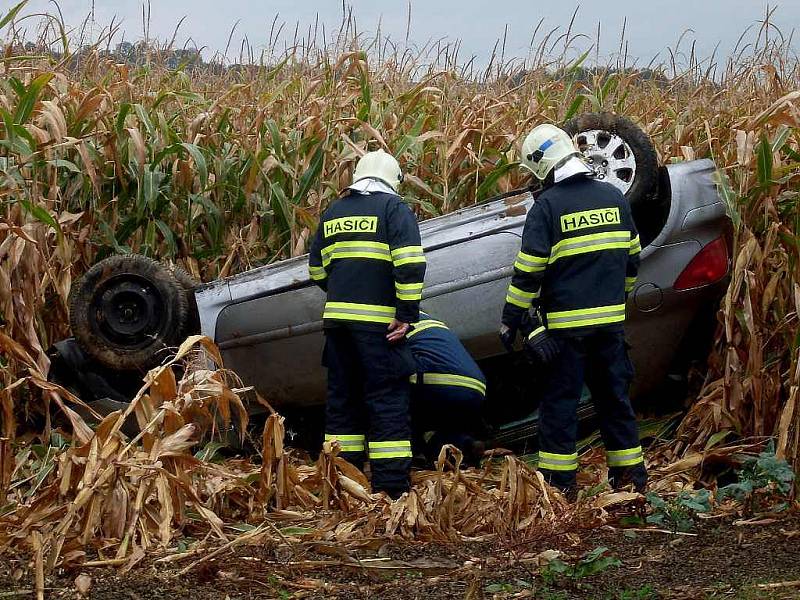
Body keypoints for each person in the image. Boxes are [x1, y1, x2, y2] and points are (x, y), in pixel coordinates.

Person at [499, 124, 647, 495]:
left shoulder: (547, 208)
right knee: (615, 404)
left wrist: (511, 319)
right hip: (610, 328)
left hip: (567, 331)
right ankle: (630, 485)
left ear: (541, 168)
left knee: (560, 408)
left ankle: (560, 490)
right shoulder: (614, 198)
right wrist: (615, 304)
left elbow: (528, 273)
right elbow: (632, 261)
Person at [308, 149, 426, 498]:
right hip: (380, 327)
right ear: (393, 179)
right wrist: (406, 314)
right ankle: (390, 491)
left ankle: (344, 485)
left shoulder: (334, 211)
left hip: (338, 326)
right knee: (386, 400)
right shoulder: (394, 210)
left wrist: (344, 294)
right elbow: (410, 264)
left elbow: (317, 269)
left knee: (342, 401)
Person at [406, 313, 487, 463]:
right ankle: (466, 446)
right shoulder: (418, 313)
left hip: (439, 383)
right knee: (445, 426)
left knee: (389, 400)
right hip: (476, 385)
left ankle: (415, 458)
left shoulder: (382, 321)